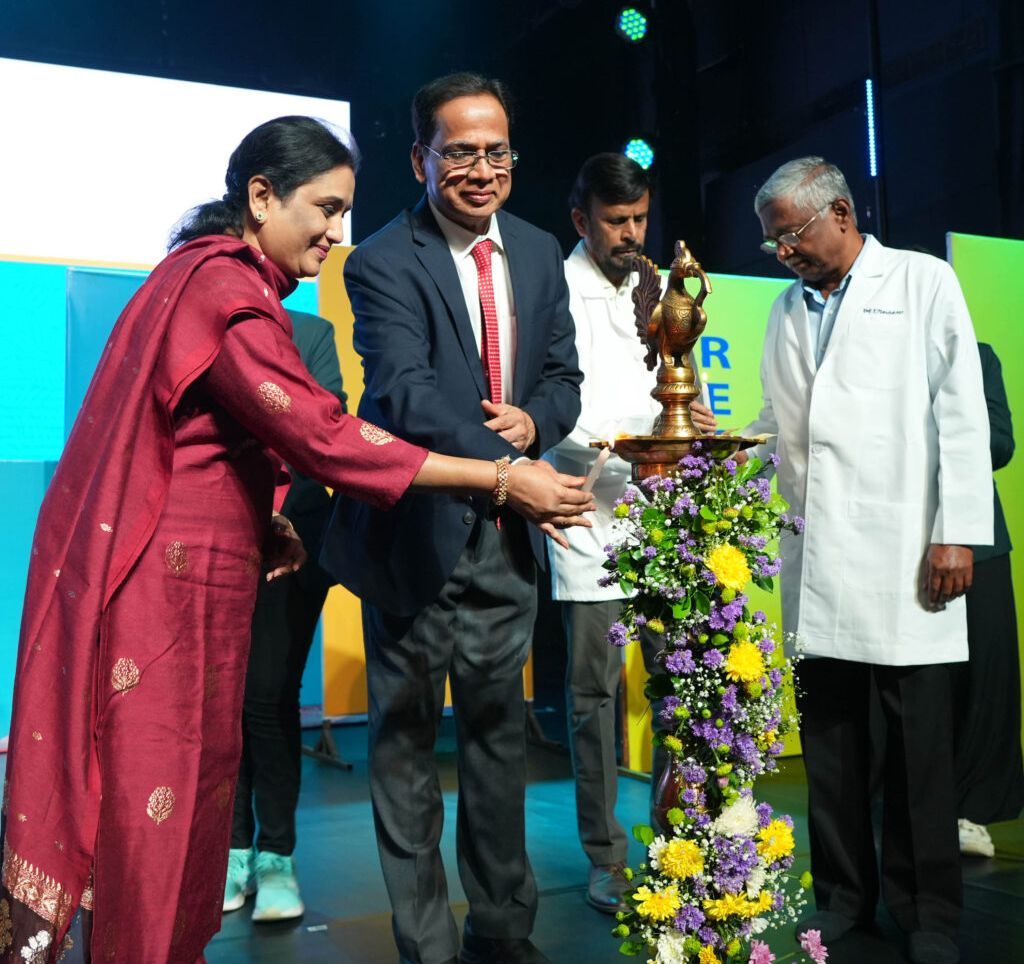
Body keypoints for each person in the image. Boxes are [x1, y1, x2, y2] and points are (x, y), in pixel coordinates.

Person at [0, 116, 592, 964]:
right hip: (161, 592)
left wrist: (262, 516)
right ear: (261, 196)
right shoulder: (224, 289)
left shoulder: (217, 283)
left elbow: (197, 437)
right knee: (149, 802)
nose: (336, 232)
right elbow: (325, 437)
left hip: (204, 576)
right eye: (324, 208)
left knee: (195, 786)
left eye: (345, 211)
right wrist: (502, 478)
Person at [320, 73, 583, 964]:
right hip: (411, 538)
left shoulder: (543, 251)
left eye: (496, 150)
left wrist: (538, 421)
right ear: (420, 159)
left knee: (496, 744)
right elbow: (402, 393)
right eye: (460, 151)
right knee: (402, 752)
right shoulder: (381, 259)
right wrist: (508, 466)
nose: (482, 168)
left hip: (504, 549)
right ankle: (426, 944)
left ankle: (504, 931)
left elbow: (563, 378)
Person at [738, 157, 992, 964]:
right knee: (834, 747)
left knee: (918, 748)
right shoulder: (785, 308)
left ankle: (929, 914)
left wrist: (956, 532)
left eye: (792, 234)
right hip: (818, 561)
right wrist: (713, 455)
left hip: (906, 555)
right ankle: (844, 895)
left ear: (840, 212)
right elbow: (778, 422)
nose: (783, 252)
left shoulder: (920, 283)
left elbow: (960, 418)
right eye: (773, 241)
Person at [545, 153, 717, 914]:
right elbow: (548, 402)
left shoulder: (661, 285)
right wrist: (633, 446)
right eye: (617, 221)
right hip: (588, 516)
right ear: (581, 219)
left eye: (641, 218)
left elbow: (681, 376)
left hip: (663, 518)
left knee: (680, 684)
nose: (632, 233)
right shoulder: (551, 285)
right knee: (594, 701)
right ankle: (606, 858)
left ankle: (680, 841)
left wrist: (697, 421)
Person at [224, 310, 347, 921]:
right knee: (225, 700)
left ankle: (275, 853)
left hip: (292, 538)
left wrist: (289, 521)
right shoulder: (210, 321)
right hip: (217, 533)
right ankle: (232, 847)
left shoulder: (310, 331)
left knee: (268, 697)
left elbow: (322, 434)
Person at [954, 342, 1024, 856]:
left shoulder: (977, 356)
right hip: (894, 538)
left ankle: (971, 811)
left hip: (978, 539)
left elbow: (1002, 443)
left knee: (985, 674)